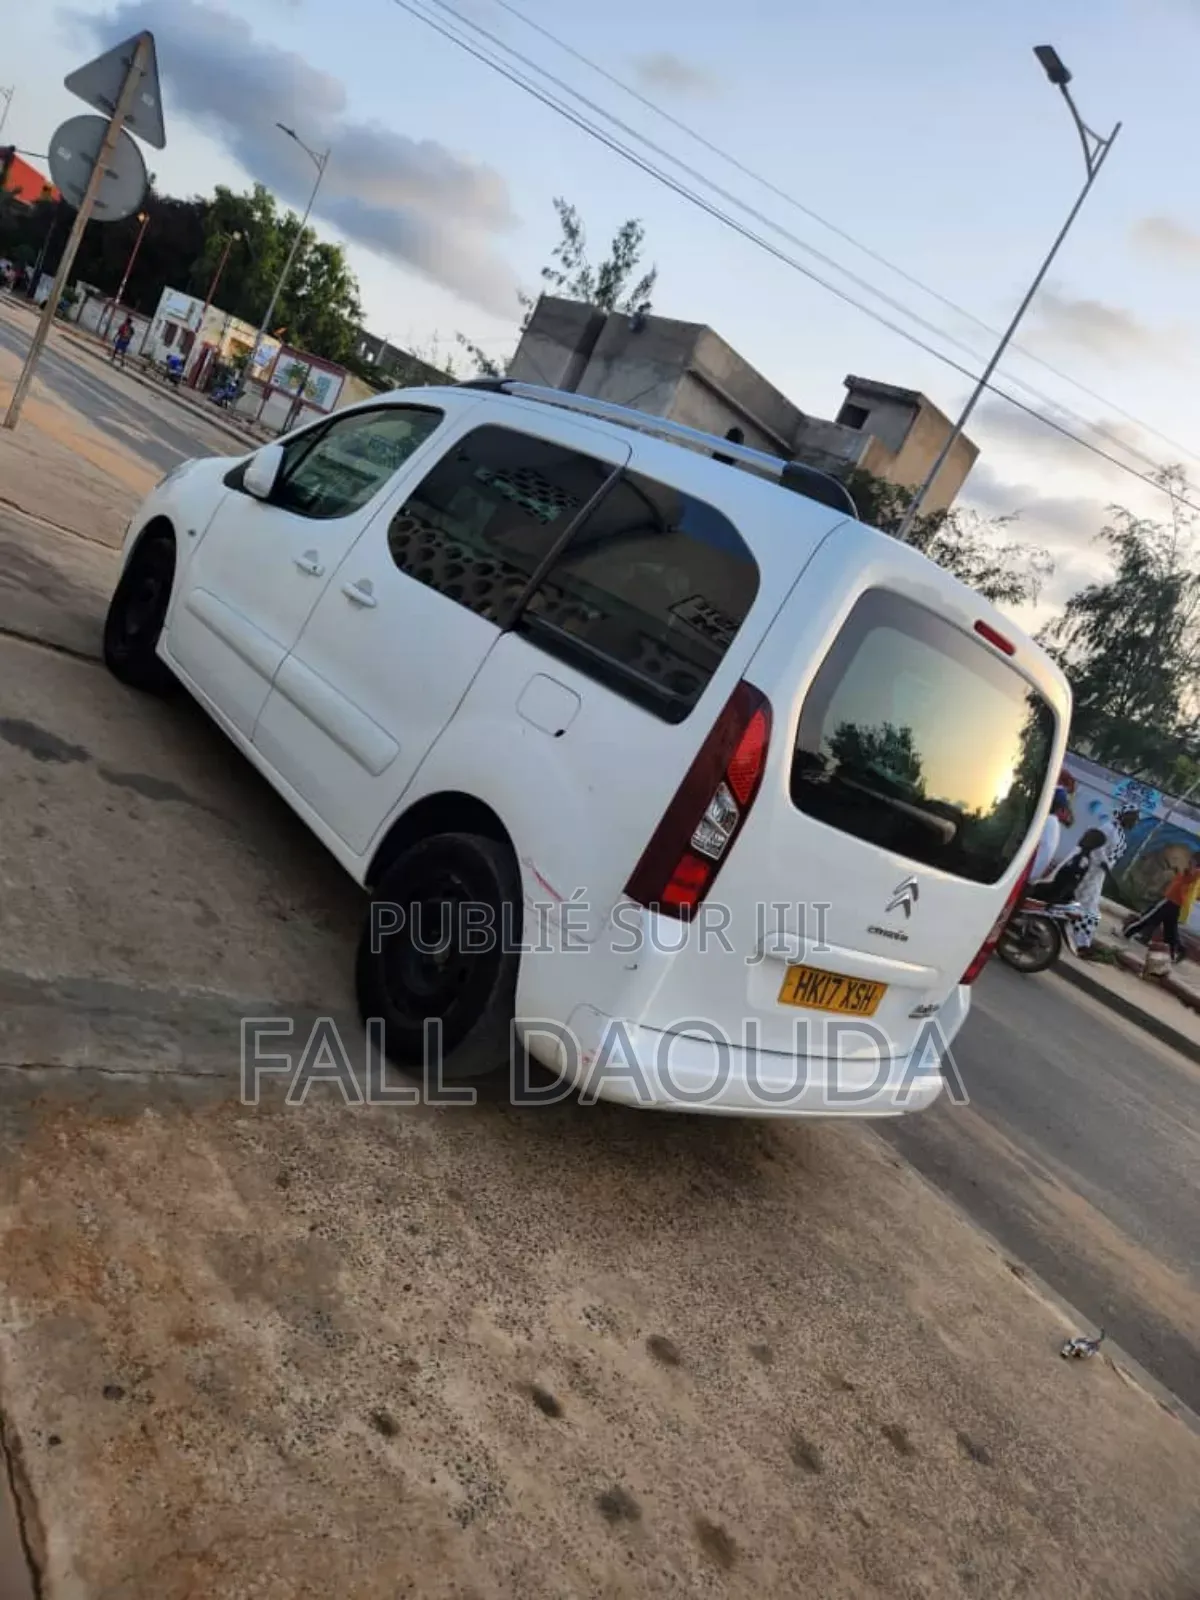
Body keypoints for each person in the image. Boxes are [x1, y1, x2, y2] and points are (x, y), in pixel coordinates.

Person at [1067, 805, 1139, 958]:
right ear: (1125, 815)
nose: (1136, 821)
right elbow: (1097, 848)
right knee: (1088, 910)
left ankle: (1081, 942)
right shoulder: (1109, 828)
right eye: (1134, 817)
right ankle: (1082, 944)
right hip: (1090, 872)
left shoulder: (1119, 832)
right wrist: (1105, 866)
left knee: (1083, 908)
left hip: (1098, 875)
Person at [1122, 853, 1200, 963]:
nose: (1189, 862)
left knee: (1148, 918)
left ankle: (1128, 932)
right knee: (1169, 930)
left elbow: (1190, 874)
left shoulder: (1194, 873)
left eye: (1192, 861)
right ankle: (1176, 952)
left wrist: (1192, 865)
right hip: (1175, 903)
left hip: (1170, 902)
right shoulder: (1190, 873)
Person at [1029, 787, 1073, 885]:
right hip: (1028, 875)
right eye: (1066, 809)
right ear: (1061, 809)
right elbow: (1046, 852)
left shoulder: (1045, 818)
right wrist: (1032, 877)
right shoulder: (1052, 822)